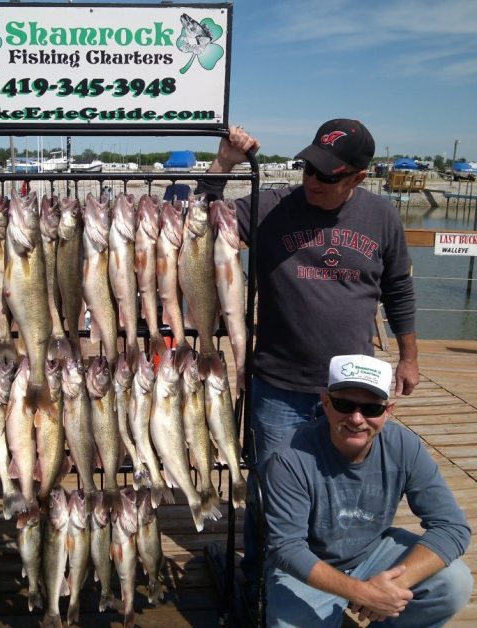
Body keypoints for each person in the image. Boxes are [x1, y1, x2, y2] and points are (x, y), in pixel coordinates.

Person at [199, 120, 418, 465]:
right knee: (270, 485)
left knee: (338, 481)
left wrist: (408, 358)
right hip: (278, 386)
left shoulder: (382, 216)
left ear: (357, 178)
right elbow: (199, 217)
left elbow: (399, 289)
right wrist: (224, 161)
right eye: (309, 168)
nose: (312, 180)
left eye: (327, 175)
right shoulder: (270, 207)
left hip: (351, 387)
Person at [262, 354, 472, 626]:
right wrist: (363, 592)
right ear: (325, 403)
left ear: (388, 411)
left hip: (374, 553)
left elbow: (452, 527)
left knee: (455, 583)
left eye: (371, 409)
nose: (357, 418)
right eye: (344, 404)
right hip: (310, 566)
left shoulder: (405, 446)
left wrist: (391, 586)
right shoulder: (289, 457)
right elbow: (286, 548)